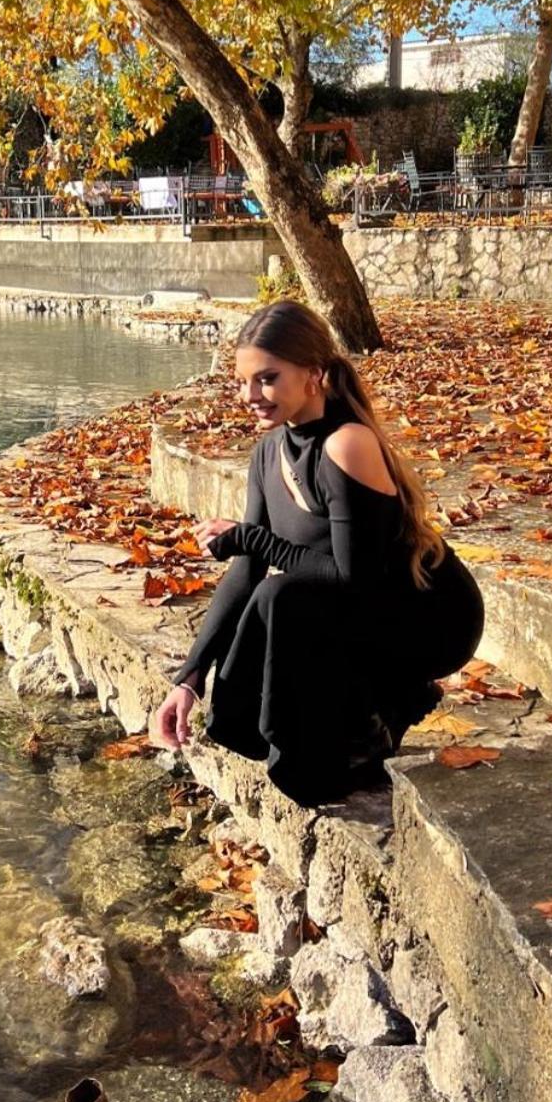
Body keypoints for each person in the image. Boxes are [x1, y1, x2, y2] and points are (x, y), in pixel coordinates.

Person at [153, 300, 484, 806]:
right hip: (357, 608)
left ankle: (381, 712)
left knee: (283, 597)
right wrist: (190, 679)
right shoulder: (268, 450)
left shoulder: (347, 444)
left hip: (426, 616)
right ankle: (368, 715)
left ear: (315, 374)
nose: (250, 396)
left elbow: (356, 577)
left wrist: (248, 536)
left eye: (266, 378)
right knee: (273, 593)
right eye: (242, 381)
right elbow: (245, 572)